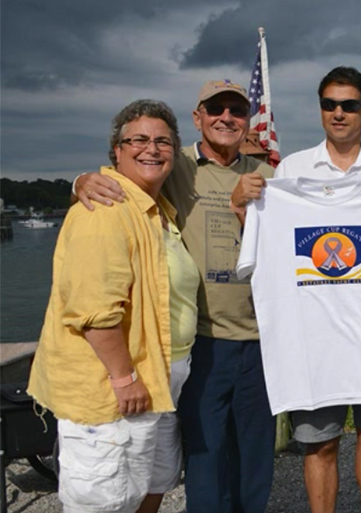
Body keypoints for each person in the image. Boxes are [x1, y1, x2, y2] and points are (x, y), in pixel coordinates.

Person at [74, 80, 276, 512]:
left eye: (236, 110)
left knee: (256, 454)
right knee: (203, 453)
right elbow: (120, 182)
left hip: (262, 341)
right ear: (198, 118)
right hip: (202, 339)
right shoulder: (171, 163)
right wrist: (80, 182)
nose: (226, 117)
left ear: (247, 121)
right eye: (215, 109)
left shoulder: (270, 175)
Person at [232, 66, 361, 513]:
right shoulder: (291, 170)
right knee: (318, 444)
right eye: (329, 104)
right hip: (314, 339)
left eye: (349, 105)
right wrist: (245, 205)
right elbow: (265, 246)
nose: (338, 113)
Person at [28, 99, 199, 513]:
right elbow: (92, 309)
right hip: (114, 391)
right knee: (104, 499)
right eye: (137, 139)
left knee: (148, 485)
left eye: (163, 141)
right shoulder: (104, 210)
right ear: (116, 151)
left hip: (159, 381)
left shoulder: (157, 210)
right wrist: (124, 379)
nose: (151, 149)